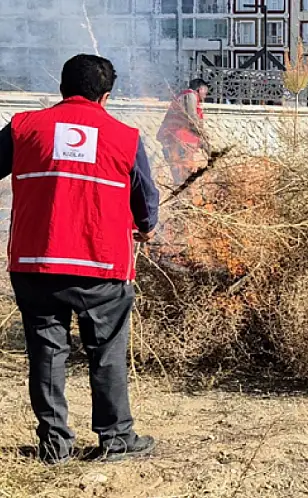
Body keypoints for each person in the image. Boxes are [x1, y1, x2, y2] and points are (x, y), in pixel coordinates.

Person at [0, 54, 160, 464]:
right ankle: (116, 439)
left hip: (36, 261)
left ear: (61, 89)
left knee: (46, 352)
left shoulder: (23, 128)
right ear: (105, 96)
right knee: (106, 353)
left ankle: (54, 445)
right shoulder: (124, 137)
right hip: (101, 266)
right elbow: (145, 199)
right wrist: (147, 224)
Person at [156, 78, 209, 186]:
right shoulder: (190, 95)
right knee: (184, 165)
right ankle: (183, 192)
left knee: (178, 166)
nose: (206, 95)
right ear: (200, 89)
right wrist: (203, 136)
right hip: (178, 135)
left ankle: (181, 191)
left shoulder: (187, 96)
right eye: (205, 91)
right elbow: (192, 117)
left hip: (174, 135)